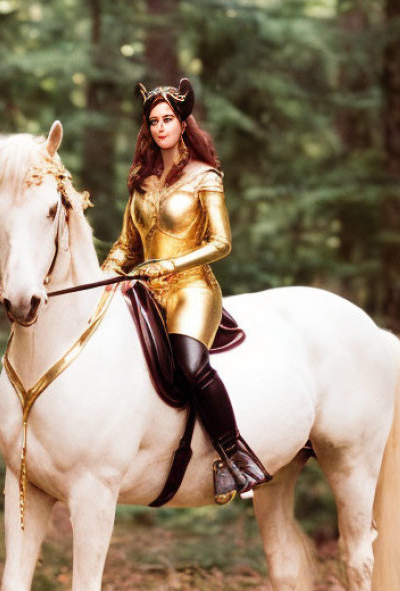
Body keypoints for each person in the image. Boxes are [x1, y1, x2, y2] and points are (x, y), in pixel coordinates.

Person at [102, 78, 271, 504]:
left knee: (192, 365)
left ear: (182, 124)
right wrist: (105, 277)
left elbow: (221, 243)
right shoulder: (141, 181)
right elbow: (127, 245)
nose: (160, 127)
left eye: (168, 119)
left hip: (192, 289)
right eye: (154, 121)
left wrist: (169, 264)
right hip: (145, 292)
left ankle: (237, 458)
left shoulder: (205, 177)